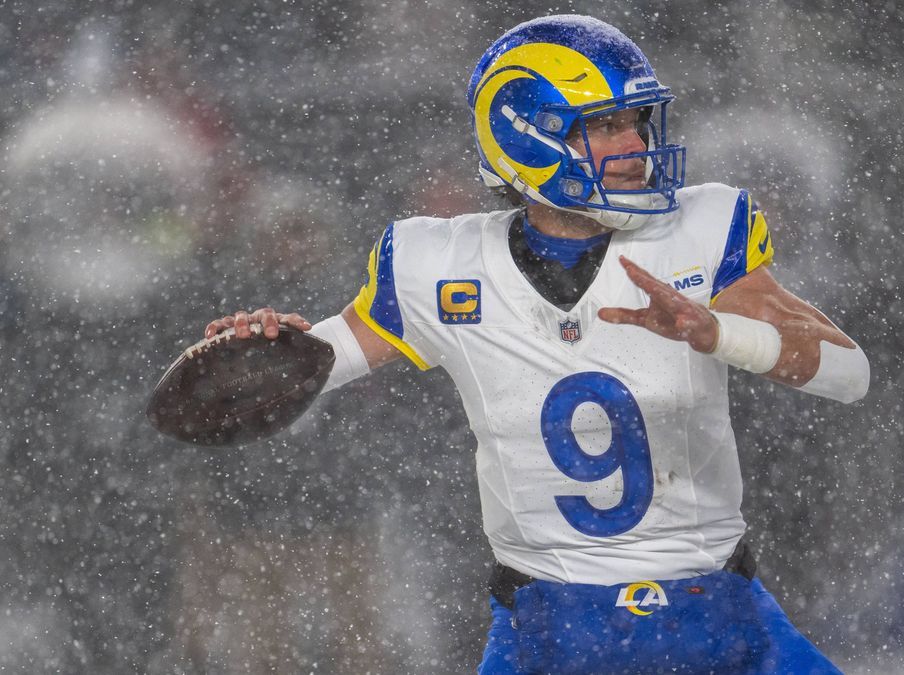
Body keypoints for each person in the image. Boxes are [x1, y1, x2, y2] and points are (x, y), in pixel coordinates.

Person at [205, 15, 869, 674]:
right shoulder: (438, 263)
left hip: (717, 611)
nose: (635, 143)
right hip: (550, 630)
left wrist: (717, 331)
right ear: (530, 138)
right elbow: (313, 365)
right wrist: (262, 348)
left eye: (637, 121)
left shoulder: (700, 230)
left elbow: (848, 371)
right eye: (607, 125)